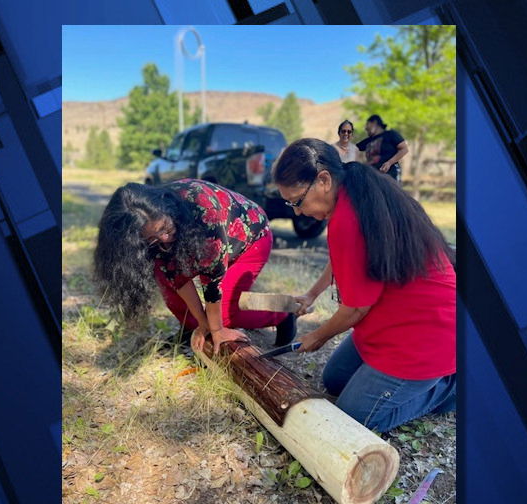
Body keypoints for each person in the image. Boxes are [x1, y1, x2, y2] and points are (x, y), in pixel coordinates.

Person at [272, 138, 455, 433]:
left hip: (424, 334)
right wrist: (311, 293)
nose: (296, 212)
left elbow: (357, 308)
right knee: (333, 380)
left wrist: (317, 335)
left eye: (297, 201)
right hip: (391, 320)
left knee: (351, 420)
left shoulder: (351, 215)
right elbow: (345, 258)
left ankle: (448, 389)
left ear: (324, 180)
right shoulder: (353, 196)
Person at [94, 179, 296, 352]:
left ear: (167, 209)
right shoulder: (148, 231)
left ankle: (284, 313)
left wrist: (216, 330)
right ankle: (193, 328)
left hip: (251, 238)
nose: (165, 238)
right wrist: (201, 323)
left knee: (223, 314)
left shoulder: (203, 210)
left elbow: (213, 279)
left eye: (165, 228)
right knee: (175, 295)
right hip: (217, 245)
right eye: (153, 238)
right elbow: (176, 277)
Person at [355, 114, 408, 182]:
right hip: (372, 176)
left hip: (390, 173)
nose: (366, 128)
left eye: (367, 124)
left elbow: (404, 149)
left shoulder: (390, 134)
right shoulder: (368, 141)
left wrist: (389, 163)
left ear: (374, 123)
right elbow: (353, 148)